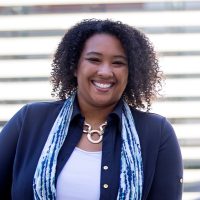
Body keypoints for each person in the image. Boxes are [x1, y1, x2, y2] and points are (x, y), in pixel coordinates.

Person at [0, 19, 183, 200]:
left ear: (131, 72)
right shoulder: (31, 120)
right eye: (94, 59)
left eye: (118, 63)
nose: (105, 71)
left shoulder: (156, 132)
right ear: (74, 66)